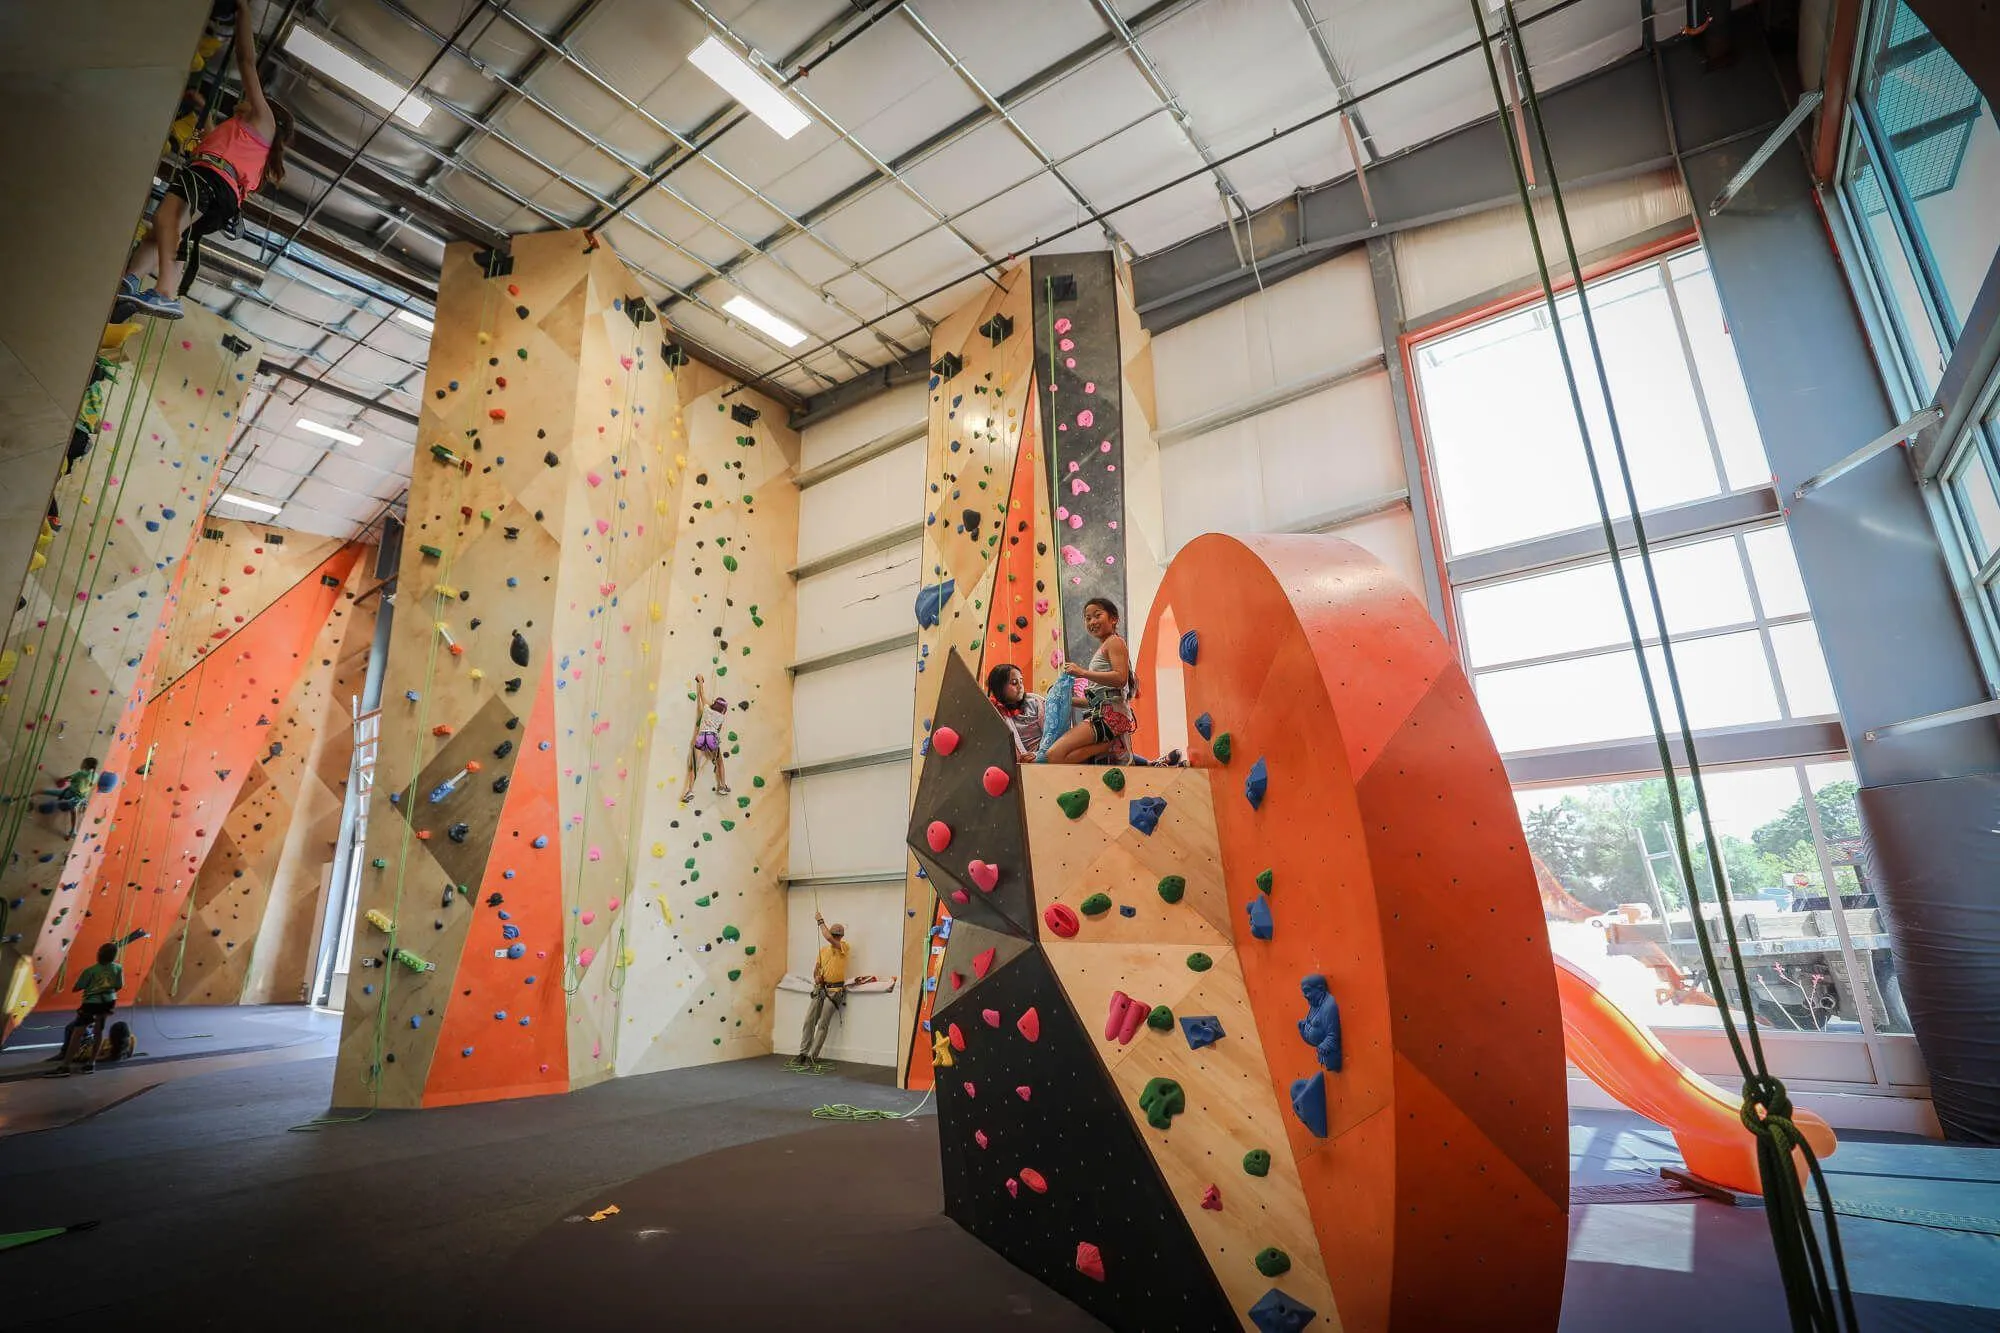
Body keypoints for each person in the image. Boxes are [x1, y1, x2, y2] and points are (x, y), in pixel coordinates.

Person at [116, 1, 294, 321]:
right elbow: (214, 145)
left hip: (209, 180)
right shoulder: (247, 140)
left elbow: (246, 61)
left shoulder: (263, 119)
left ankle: (166, 293)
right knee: (161, 234)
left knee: (165, 221)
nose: (243, 101)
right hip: (219, 194)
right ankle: (130, 280)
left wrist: (242, 13)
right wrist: (201, 111)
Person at [1044, 598, 1135, 765]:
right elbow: (1096, 700)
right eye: (1088, 618)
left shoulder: (1115, 642)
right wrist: (1066, 700)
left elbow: (1120, 678)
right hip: (1103, 713)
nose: (1092, 621)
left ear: (1113, 618)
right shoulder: (1106, 646)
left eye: (1097, 615)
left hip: (1109, 716)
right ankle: (1107, 746)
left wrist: (1082, 672)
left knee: (1054, 755)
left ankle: (1108, 746)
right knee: (1056, 757)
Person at [791, 914, 850, 1070]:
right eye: (835, 934)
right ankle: (803, 1053)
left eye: (837, 935)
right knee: (809, 1021)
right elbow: (816, 968)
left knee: (822, 1024)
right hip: (821, 989)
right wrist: (817, 977)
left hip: (834, 991)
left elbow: (829, 939)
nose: (836, 937)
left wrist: (820, 922)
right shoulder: (823, 951)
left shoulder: (844, 947)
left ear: (841, 936)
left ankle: (812, 1056)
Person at [57, 943, 124, 1075]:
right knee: (98, 1031)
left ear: (99, 954)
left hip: (91, 1003)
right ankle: (91, 1064)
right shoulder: (118, 968)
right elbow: (118, 985)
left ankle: (65, 1066)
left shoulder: (90, 970)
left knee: (77, 1033)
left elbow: (77, 987)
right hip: (108, 1002)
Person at [681, 675, 730, 801]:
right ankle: (722, 786)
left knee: (694, 766)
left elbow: (701, 696)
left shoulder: (707, 709)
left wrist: (700, 681)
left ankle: (689, 791)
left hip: (701, 737)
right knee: (719, 762)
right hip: (712, 738)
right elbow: (718, 730)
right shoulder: (721, 717)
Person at [986, 663, 1045, 763]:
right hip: (1025, 765)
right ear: (999, 688)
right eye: (1014, 682)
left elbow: (1052, 732)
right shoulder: (997, 715)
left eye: (1021, 681)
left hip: (1048, 752)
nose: (1020, 686)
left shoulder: (1034, 702)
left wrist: (1041, 754)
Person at [38, 757, 99, 837]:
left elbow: (69, 778)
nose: (81, 763)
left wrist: (62, 780)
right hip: (81, 796)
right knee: (73, 811)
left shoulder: (81, 774)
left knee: (51, 793)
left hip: (71, 794)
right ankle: (73, 831)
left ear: (86, 765)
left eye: (83, 762)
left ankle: (33, 794)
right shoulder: (96, 775)